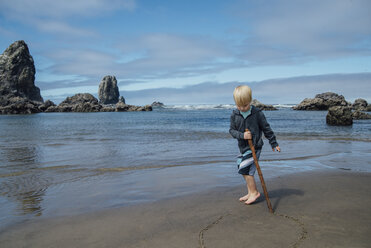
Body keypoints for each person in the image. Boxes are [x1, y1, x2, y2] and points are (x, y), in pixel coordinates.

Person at [229, 85, 281, 205]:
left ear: (250, 101)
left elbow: (266, 129)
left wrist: (274, 143)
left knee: (245, 168)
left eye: (245, 105)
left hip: (255, 147)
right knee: (241, 168)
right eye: (239, 106)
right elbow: (231, 131)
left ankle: (254, 192)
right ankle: (250, 191)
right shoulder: (234, 115)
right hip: (243, 148)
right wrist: (242, 135)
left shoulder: (257, 113)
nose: (242, 108)